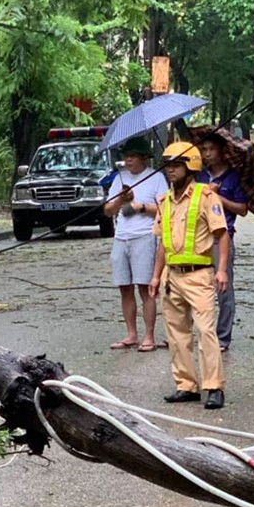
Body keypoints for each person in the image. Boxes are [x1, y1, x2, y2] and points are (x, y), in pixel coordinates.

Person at [149, 141, 229, 410]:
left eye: (175, 165)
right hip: (172, 278)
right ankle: (186, 385)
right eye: (167, 165)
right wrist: (155, 276)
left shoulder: (206, 196)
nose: (169, 170)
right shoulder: (164, 201)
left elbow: (222, 234)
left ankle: (214, 386)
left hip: (199, 276)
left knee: (206, 331)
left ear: (190, 166)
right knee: (177, 334)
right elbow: (162, 243)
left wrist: (221, 270)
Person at [103, 137, 168, 352]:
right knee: (124, 287)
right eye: (126, 156)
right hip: (121, 236)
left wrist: (140, 206)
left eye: (132, 156)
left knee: (145, 287)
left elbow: (166, 210)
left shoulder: (156, 177)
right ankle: (131, 333)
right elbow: (108, 210)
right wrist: (122, 200)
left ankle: (149, 335)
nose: (128, 160)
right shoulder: (119, 178)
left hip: (144, 236)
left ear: (143, 158)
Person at [196, 134, 248, 352]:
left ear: (221, 151)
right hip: (199, 236)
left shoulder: (233, 177)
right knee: (197, 286)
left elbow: (242, 209)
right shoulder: (198, 176)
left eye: (211, 149)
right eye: (204, 149)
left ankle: (223, 337)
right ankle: (200, 332)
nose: (207, 154)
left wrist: (218, 198)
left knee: (223, 288)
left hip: (222, 236)